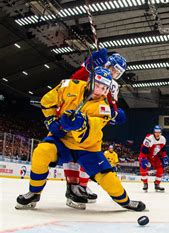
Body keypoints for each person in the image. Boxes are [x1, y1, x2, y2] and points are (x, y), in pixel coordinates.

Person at [16, 67, 145, 212]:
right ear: (89, 81)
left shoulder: (104, 108)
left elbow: (92, 131)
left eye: (103, 88)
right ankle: (34, 193)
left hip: (87, 148)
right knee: (42, 152)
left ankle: (125, 201)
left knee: (107, 177)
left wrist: (80, 123)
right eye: (97, 85)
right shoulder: (69, 85)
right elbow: (47, 101)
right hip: (62, 141)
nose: (98, 91)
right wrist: (51, 119)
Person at [64, 50, 127, 204]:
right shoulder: (94, 72)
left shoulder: (114, 85)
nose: (113, 73)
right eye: (113, 69)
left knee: (89, 155)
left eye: (117, 73)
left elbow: (111, 105)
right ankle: (72, 188)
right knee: (71, 152)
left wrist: (114, 113)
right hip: (74, 117)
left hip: (92, 123)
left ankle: (82, 187)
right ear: (108, 64)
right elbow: (73, 81)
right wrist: (86, 67)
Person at [138, 125, 169, 192]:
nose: (157, 134)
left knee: (160, 168)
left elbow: (163, 150)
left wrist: (164, 157)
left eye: (159, 132)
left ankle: (157, 185)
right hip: (145, 155)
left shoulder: (163, 139)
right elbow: (144, 150)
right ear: (154, 132)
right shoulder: (149, 138)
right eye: (156, 132)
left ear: (161, 132)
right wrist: (143, 159)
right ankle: (145, 183)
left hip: (154, 156)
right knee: (143, 168)